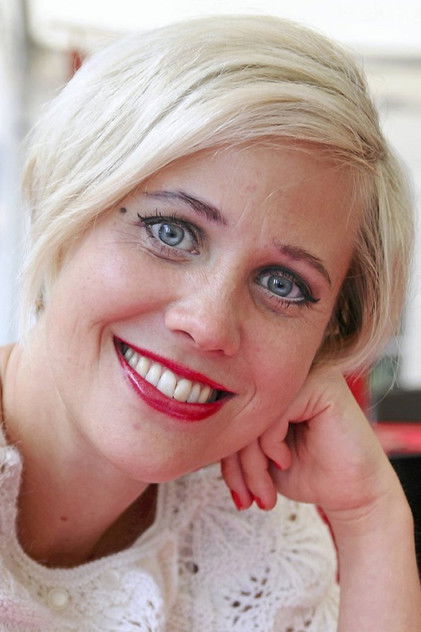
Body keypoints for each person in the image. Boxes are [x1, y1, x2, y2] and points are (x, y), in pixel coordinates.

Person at [0, 13, 419, 632]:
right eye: (171, 231)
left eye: (282, 284)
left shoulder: (253, 535)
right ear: (68, 209)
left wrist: (370, 516)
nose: (209, 324)